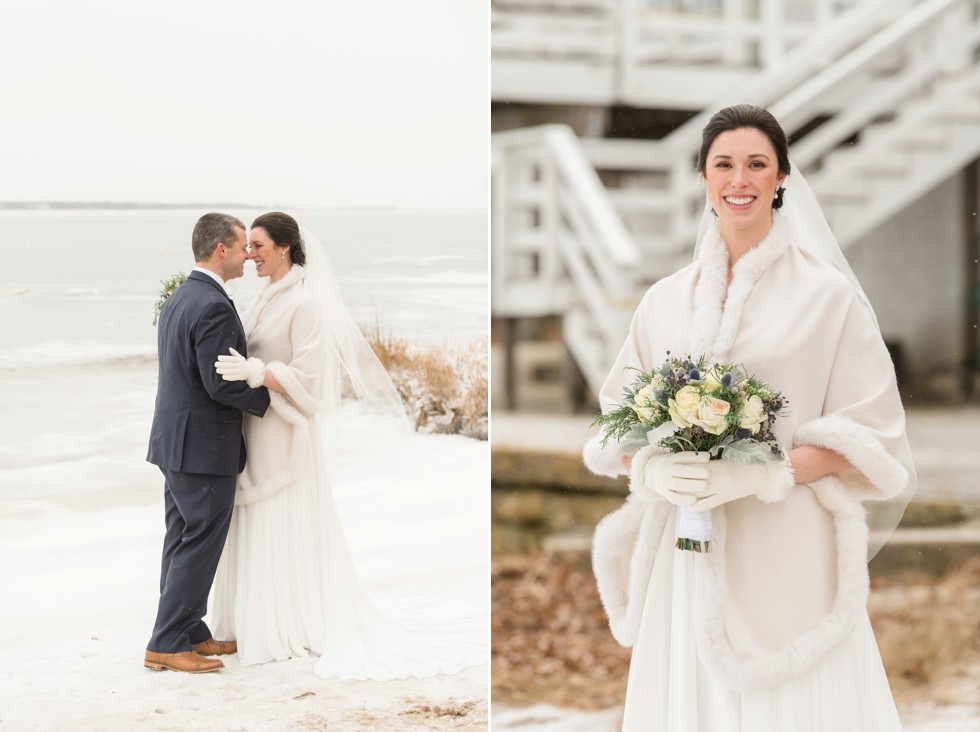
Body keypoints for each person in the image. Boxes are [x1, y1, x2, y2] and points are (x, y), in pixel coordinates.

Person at [583, 105, 915, 730]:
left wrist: (762, 475)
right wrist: (651, 470)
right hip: (684, 548)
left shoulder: (828, 298)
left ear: (782, 177)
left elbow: (872, 433)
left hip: (788, 550)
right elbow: (615, 420)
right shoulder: (662, 301)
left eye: (757, 164)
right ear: (705, 178)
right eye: (724, 164)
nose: (741, 179)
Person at [209, 211, 478, 679]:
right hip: (257, 429)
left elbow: (312, 382)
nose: (249, 255)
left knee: (283, 520)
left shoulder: (306, 304)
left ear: (285, 248)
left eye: (258, 246)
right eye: (247, 247)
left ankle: (288, 623)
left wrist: (258, 373)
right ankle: (250, 622)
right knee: (255, 521)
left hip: (286, 434)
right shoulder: (262, 300)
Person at [145, 212, 271, 674]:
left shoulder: (182, 295)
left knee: (181, 538)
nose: (247, 255)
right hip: (202, 448)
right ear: (222, 249)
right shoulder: (214, 305)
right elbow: (220, 383)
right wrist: (270, 397)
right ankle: (166, 641)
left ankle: (189, 630)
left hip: (174, 442)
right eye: (243, 247)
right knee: (199, 542)